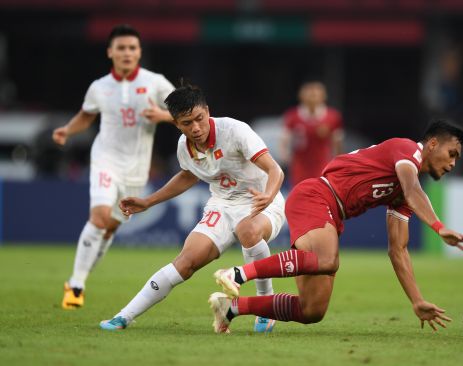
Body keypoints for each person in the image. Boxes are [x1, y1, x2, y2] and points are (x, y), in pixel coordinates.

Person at [209, 120, 463, 334]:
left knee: (311, 310)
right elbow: (412, 188)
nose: (453, 163)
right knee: (327, 260)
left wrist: (416, 300)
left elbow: (398, 250)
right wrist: (438, 226)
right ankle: (236, 274)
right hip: (316, 195)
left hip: (331, 214)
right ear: (432, 144)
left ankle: (231, 308)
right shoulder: (407, 150)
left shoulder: (403, 197)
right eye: (452, 153)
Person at [99, 84, 286, 333]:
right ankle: (124, 316)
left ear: (207, 111)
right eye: (187, 123)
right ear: (177, 123)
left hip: (261, 199)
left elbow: (275, 170)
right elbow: (188, 176)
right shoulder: (183, 147)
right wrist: (147, 201)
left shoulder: (235, 130)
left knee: (248, 231)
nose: (196, 128)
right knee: (185, 262)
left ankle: (266, 307)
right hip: (222, 205)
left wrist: (268, 195)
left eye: (199, 118)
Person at [52, 24, 176, 309]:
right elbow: (86, 116)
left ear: (139, 52)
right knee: (98, 217)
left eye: (132, 48)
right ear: (110, 52)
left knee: (108, 229)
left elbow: (184, 110)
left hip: (136, 169)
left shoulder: (155, 82)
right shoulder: (99, 87)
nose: (127, 53)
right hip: (105, 159)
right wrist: (67, 130)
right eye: (121, 48)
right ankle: (77, 285)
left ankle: (77, 279)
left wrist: (161, 114)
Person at [279, 81, 344, 187]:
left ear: (324, 96)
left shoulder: (332, 116)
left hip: (322, 165)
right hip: (300, 167)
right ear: (301, 96)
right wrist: (285, 159)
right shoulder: (293, 116)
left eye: (316, 93)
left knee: (320, 192)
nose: (312, 96)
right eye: (309, 93)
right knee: (300, 192)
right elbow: (284, 140)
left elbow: (337, 143)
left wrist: (338, 163)